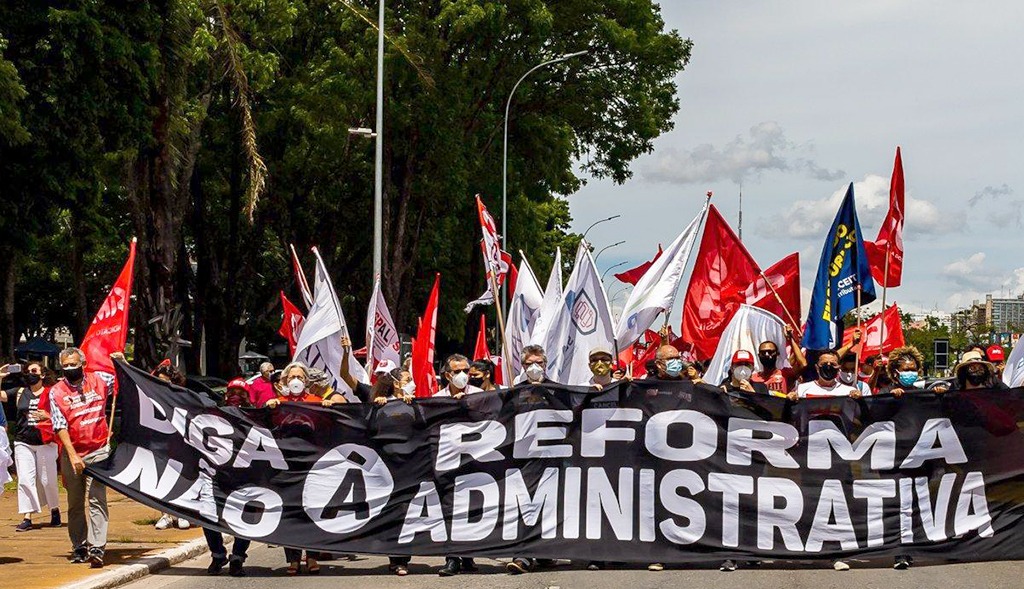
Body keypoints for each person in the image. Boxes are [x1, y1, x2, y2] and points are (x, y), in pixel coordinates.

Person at [49, 347, 112, 567]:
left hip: (98, 449)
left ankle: (97, 547)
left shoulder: (100, 380)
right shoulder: (56, 391)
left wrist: (121, 362)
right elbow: (59, 426)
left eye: (73, 364)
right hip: (72, 452)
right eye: (65, 365)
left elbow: (125, 381)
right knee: (75, 503)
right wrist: (73, 455)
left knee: (97, 499)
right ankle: (79, 545)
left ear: (83, 363)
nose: (70, 368)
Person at [264, 361, 325, 574]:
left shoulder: (316, 402)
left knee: (312, 509)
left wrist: (330, 407)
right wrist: (269, 409)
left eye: (299, 377)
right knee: (290, 511)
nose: (296, 381)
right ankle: (292, 558)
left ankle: (312, 556)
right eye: (291, 378)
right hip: (286, 466)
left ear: (306, 381)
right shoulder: (278, 403)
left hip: (311, 465)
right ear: (285, 382)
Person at [203, 380, 252, 577]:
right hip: (216, 474)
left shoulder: (255, 416)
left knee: (247, 518)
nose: (236, 395)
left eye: (240, 392)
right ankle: (217, 554)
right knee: (207, 515)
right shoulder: (215, 414)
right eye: (232, 391)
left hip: (246, 477)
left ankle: (238, 557)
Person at [8, 362, 60, 532]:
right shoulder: (21, 392)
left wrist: (47, 415)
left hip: (46, 442)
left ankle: (54, 509)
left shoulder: (52, 392)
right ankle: (27, 516)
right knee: (25, 479)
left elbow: (63, 413)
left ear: (42, 375)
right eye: (28, 371)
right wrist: (1, 377)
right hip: (23, 441)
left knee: (47, 480)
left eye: (34, 371)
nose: (30, 374)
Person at [151, 360, 190, 531]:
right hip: (158, 441)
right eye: (159, 379)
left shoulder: (181, 395)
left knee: (179, 476)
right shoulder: (151, 395)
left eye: (166, 380)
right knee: (160, 477)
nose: (162, 383)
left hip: (178, 442)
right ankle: (165, 515)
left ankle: (181, 513)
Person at [751, 326, 806, 396]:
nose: (767, 355)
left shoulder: (785, 374)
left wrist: (790, 339)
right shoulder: (753, 378)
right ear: (759, 355)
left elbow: (803, 364)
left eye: (770, 352)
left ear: (777, 354)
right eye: (763, 352)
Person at [791, 351, 860, 400]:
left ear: (838, 368)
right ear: (817, 368)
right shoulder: (801, 389)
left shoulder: (849, 392)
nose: (828, 366)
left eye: (833, 364)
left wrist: (860, 401)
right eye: (824, 364)